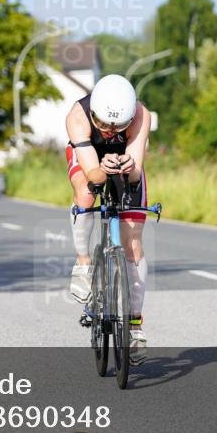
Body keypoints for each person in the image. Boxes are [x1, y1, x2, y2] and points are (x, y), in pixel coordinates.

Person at [64, 74, 151, 364]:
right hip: (89, 158)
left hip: (124, 160)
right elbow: (93, 175)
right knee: (86, 195)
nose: (110, 131)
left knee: (133, 243)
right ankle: (83, 262)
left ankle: (135, 325)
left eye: (118, 127)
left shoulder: (141, 115)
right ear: (93, 113)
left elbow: (135, 174)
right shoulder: (78, 116)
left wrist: (128, 166)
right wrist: (103, 168)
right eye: (103, 124)